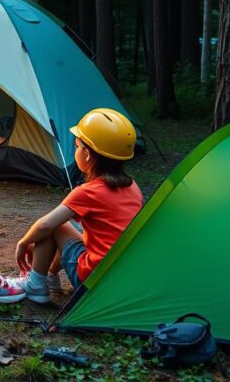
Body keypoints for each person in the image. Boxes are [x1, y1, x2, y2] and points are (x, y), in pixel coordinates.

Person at [7, 108, 142, 303]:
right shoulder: (133, 187)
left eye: (77, 145)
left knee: (57, 225)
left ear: (87, 154)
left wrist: (23, 243)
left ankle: (35, 284)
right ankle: (51, 277)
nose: (76, 149)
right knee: (72, 228)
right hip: (121, 279)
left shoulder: (88, 192)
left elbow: (45, 225)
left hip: (93, 281)